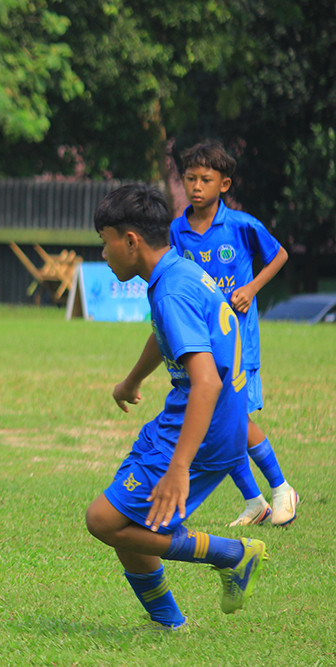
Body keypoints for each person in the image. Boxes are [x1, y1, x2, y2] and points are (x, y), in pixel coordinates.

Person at [85, 184, 267, 631]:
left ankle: (232, 553)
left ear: (130, 240)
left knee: (104, 519)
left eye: (105, 241)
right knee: (127, 518)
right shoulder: (180, 272)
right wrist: (132, 380)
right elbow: (167, 333)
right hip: (204, 421)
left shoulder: (170, 291)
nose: (103, 254)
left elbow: (206, 379)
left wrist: (179, 466)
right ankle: (168, 623)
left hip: (198, 428)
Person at [170, 141, 297, 527]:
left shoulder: (241, 224)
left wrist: (252, 287)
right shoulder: (177, 229)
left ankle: (281, 489)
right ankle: (255, 501)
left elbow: (279, 256)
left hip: (240, 342)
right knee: (216, 425)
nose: (196, 186)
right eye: (189, 178)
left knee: (234, 421)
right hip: (202, 344)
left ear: (223, 184)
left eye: (205, 179)